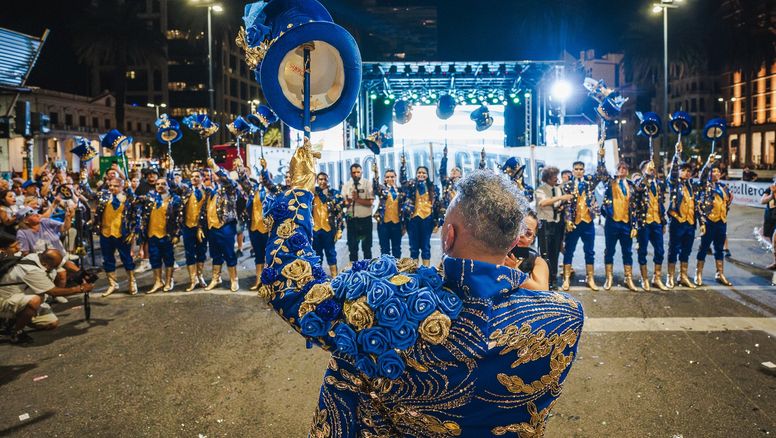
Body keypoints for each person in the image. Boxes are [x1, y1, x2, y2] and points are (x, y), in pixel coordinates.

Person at [257, 142, 583, 436]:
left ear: (448, 236)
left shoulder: (390, 305)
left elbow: (293, 288)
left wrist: (299, 190)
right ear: (514, 243)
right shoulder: (565, 316)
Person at [0, 248, 94, 344]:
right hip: (6, 300)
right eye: (55, 267)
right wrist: (79, 289)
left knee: (51, 324)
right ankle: (16, 333)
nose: (57, 268)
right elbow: (53, 292)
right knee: (35, 300)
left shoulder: (40, 257)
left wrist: (81, 273)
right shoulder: (32, 270)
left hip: (22, 297)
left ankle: (15, 321)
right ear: (45, 264)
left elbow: (64, 263)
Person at [82, 177, 139, 297]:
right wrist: (84, 179)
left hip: (122, 234)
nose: (112, 188)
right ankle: (112, 284)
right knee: (107, 259)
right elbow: (89, 194)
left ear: (122, 187)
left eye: (116, 186)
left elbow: (136, 214)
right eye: (111, 186)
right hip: (106, 233)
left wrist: (133, 232)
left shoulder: (128, 198)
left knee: (127, 259)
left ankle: (132, 281)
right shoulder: (104, 197)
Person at [597, 153, 638, 291]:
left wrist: (634, 225)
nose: (622, 170)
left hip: (626, 223)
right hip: (612, 223)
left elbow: (636, 207)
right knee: (610, 251)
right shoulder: (610, 182)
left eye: (625, 168)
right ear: (616, 170)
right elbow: (601, 171)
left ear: (628, 171)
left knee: (627, 252)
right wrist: (601, 157)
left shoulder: (632, 185)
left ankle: (629, 278)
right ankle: (609, 278)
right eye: (620, 168)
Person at [666, 143, 703, 288]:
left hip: (690, 223)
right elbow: (673, 172)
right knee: (673, 249)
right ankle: (670, 277)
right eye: (684, 170)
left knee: (686, 251)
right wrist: (677, 155)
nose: (687, 173)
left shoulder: (692, 185)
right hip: (677, 222)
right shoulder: (674, 183)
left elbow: (704, 178)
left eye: (689, 171)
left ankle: (683, 276)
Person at [236, 158, 277, 288]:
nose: (261, 178)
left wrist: (264, 169)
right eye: (260, 176)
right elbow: (243, 181)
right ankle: (258, 279)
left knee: (269, 256)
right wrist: (240, 169)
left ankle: (269, 282)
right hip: (254, 228)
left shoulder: (273, 190)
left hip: (268, 229)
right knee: (258, 255)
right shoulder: (253, 190)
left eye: (264, 177)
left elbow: (268, 182)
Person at [561, 160, 601, 290]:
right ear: (572, 171)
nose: (578, 171)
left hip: (588, 222)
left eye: (581, 169)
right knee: (569, 251)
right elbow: (566, 205)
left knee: (589, 252)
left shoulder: (590, 183)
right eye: (576, 169)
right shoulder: (567, 185)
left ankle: (591, 279)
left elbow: (601, 174)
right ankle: (566, 279)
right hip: (574, 222)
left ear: (584, 170)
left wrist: (601, 156)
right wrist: (568, 220)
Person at [138, 177, 182, 293]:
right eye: (158, 184)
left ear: (168, 186)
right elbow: (135, 200)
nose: (160, 186)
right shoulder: (150, 198)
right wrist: (128, 189)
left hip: (167, 235)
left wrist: (177, 234)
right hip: (152, 235)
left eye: (163, 184)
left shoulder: (175, 199)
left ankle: (169, 281)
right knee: (154, 259)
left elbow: (179, 218)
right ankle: (158, 281)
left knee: (169, 259)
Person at [203, 158, 240, 292]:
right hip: (213, 227)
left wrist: (216, 167)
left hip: (226, 227)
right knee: (215, 254)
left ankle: (234, 279)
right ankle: (216, 278)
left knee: (229, 253)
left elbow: (228, 181)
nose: (213, 175)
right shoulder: (211, 191)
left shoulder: (229, 189)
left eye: (216, 173)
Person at [696, 156, 733, 286]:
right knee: (704, 248)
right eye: (714, 171)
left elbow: (727, 203)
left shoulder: (724, 186)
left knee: (719, 249)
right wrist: (708, 163)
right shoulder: (705, 185)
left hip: (721, 222)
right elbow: (703, 176)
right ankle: (698, 274)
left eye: (718, 171)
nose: (716, 173)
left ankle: (720, 273)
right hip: (709, 221)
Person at [632, 160, 669, 291]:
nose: (651, 170)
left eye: (652, 168)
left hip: (657, 222)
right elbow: (638, 188)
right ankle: (644, 279)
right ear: (642, 170)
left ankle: (656, 278)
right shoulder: (639, 182)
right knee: (642, 251)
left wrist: (663, 222)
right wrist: (646, 174)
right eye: (648, 168)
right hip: (644, 223)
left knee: (660, 250)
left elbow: (660, 205)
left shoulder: (658, 184)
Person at [170, 167, 209, 291]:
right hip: (188, 226)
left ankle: (200, 276)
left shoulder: (208, 191)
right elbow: (173, 186)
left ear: (202, 178)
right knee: (189, 253)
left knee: (201, 252)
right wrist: (170, 170)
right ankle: (193, 279)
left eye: (197, 176)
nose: (194, 178)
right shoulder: (186, 190)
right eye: (192, 177)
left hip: (202, 227)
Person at [535, 166, 573, 290]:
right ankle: (545, 280)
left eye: (556, 176)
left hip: (557, 225)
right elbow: (543, 203)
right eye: (554, 176)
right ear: (547, 178)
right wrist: (561, 198)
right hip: (545, 225)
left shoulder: (558, 189)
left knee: (555, 253)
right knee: (545, 254)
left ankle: (554, 278)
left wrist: (562, 204)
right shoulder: (540, 190)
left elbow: (560, 204)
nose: (556, 178)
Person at [400, 154, 441, 267]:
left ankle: (425, 270)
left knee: (426, 246)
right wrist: (403, 166)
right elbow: (403, 181)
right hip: (413, 219)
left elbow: (437, 206)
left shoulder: (433, 188)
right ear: (416, 174)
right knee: (414, 247)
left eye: (424, 173)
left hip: (427, 219)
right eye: (419, 173)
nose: (421, 174)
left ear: (427, 175)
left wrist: (437, 222)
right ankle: (414, 271)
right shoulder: (411, 185)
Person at [311, 171, 345, 276]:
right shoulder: (312, 194)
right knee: (317, 255)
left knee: (331, 253)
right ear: (317, 180)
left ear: (328, 180)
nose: (323, 181)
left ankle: (334, 277)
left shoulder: (334, 193)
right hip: (315, 230)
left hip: (329, 230)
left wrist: (340, 229)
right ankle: (317, 277)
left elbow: (340, 213)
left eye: (325, 179)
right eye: (320, 179)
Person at [509, 209, 550, 289]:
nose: (522, 235)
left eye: (528, 233)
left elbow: (542, 290)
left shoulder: (537, 261)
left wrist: (514, 270)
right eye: (519, 229)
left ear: (533, 239)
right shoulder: (497, 252)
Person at [342, 163, 374, 263]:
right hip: (352, 220)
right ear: (350, 173)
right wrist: (348, 201)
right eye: (353, 172)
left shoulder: (367, 184)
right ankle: (354, 273)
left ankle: (368, 271)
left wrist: (357, 199)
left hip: (365, 220)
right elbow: (343, 204)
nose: (356, 174)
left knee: (367, 248)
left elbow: (370, 202)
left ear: (361, 172)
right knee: (353, 248)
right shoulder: (346, 186)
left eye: (358, 172)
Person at [373, 164, 404, 259]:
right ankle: (385, 269)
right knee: (384, 249)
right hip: (383, 224)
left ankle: (397, 269)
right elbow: (375, 187)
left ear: (395, 177)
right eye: (387, 177)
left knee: (397, 249)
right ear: (384, 179)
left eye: (392, 176)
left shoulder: (400, 190)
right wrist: (376, 173)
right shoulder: (382, 190)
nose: (390, 178)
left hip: (397, 223)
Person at [760, 176, 776, 270]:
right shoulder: (769, 189)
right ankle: (775, 262)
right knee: (772, 240)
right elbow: (762, 201)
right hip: (769, 217)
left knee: (775, 238)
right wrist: (772, 194)